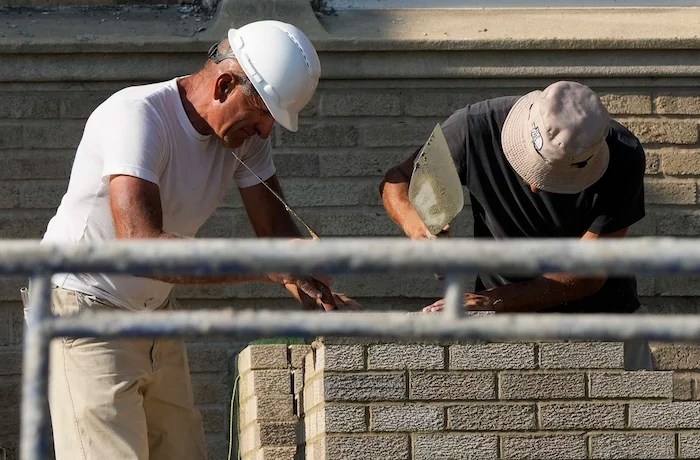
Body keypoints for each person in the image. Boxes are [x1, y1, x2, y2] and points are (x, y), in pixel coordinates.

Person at [36, 20, 360, 460]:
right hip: (84, 309)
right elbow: (138, 246)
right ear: (225, 85)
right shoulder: (137, 115)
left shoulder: (244, 140)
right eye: (262, 115)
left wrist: (317, 291)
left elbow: (277, 236)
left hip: (154, 314)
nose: (266, 133)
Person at [380, 81, 651, 367]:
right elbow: (399, 179)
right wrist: (418, 225)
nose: (535, 186)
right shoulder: (474, 128)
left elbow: (585, 276)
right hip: (503, 324)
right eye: (533, 167)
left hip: (604, 326)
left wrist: (495, 300)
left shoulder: (623, 156)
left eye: (557, 179)